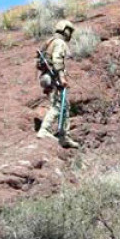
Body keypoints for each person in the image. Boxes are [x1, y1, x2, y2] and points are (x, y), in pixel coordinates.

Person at [36, 19, 80, 148]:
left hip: (46, 77)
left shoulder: (50, 41)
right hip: (54, 77)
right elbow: (57, 60)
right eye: (69, 31)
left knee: (64, 106)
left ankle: (64, 136)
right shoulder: (59, 43)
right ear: (64, 29)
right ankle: (44, 130)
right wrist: (62, 78)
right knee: (58, 105)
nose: (70, 34)